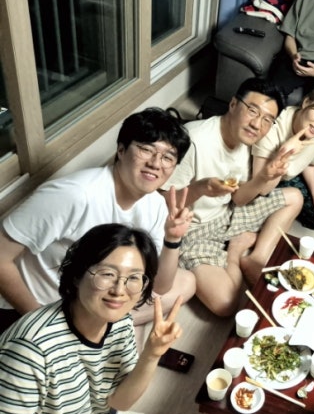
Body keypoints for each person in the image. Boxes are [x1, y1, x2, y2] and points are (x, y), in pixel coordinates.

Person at [0, 108, 195, 340]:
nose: (155, 163)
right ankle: (103, 332)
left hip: (99, 300)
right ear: (121, 150)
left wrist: (172, 239)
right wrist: (40, 322)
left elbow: (160, 287)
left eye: (167, 157)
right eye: (146, 149)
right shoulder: (74, 195)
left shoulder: (155, 205)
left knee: (187, 281)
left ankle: (108, 329)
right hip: (44, 308)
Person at [0, 223, 182, 414]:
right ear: (77, 274)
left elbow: (120, 401)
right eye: (107, 274)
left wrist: (151, 354)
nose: (119, 290)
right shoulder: (29, 352)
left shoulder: (119, 320)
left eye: (133, 278)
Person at [162, 78, 303, 316]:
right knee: (226, 304)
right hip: (194, 229)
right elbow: (164, 203)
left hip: (228, 211)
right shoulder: (194, 140)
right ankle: (236, 251)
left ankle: (256, 256)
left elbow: (239, 199)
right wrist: (201, 188)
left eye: (267, 120)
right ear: (233, 104)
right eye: (252, 111)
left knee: (294, 197)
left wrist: (262, 177)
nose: (257, 124)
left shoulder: (249, 142)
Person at [252, 86, 314, 230]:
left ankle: (276, 211)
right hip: (260, 177)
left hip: (286, 176)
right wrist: (285, 154)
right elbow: (260, 187)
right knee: (253, 206)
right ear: (306, 102)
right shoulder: (274, 125)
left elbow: (310, 163)